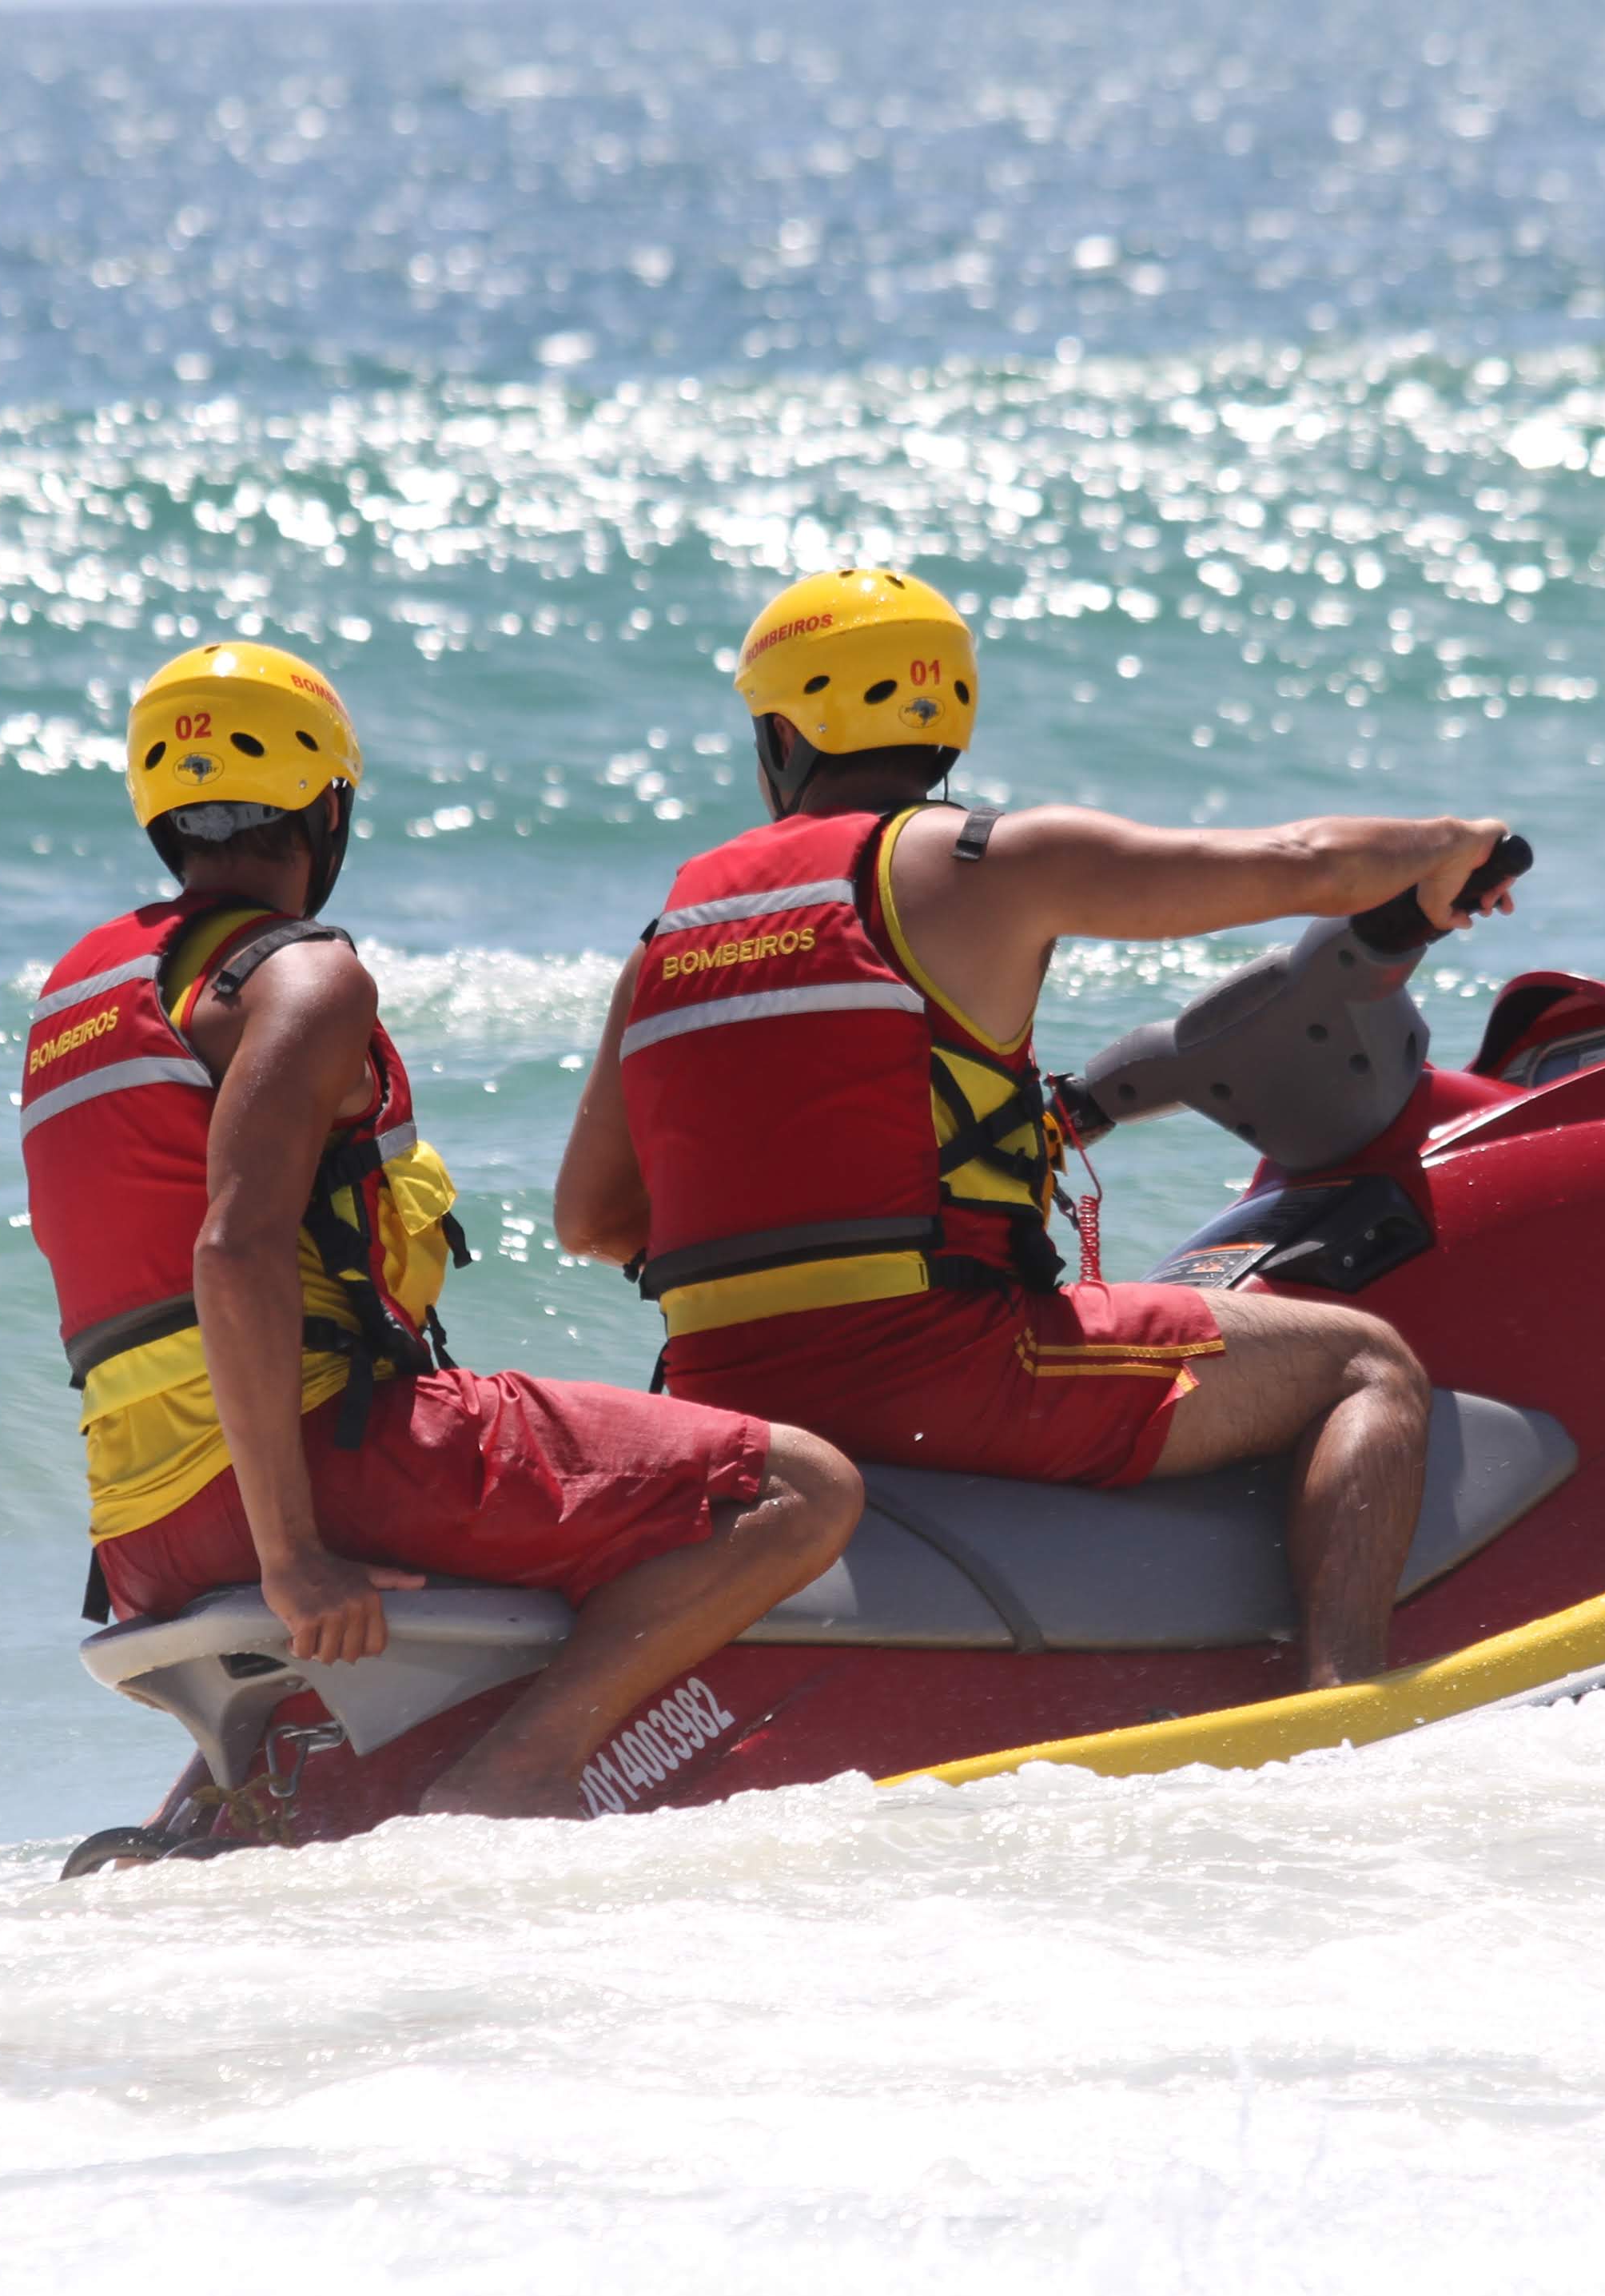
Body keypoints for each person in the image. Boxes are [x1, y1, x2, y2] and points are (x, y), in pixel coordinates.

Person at [552, 570, 1505, 1690]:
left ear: (782, 734)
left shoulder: (669, 935)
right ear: (949, 711)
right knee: (1364, 1361)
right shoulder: (989, 864)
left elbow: (592, 1220)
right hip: (947, 1371)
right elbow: (1304, 864)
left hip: (727, 1388)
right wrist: (1450, 846)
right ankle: (1341, 1705)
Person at [18, 640, 860, 1818]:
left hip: (139, 1529)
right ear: (329, 806)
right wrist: (292, 1557)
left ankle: (232, 1810)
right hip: (308, 1472)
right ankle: (524, 1766)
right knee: (801, 1488)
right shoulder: (300, 978)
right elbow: (235, 1249)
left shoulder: (86, 995)